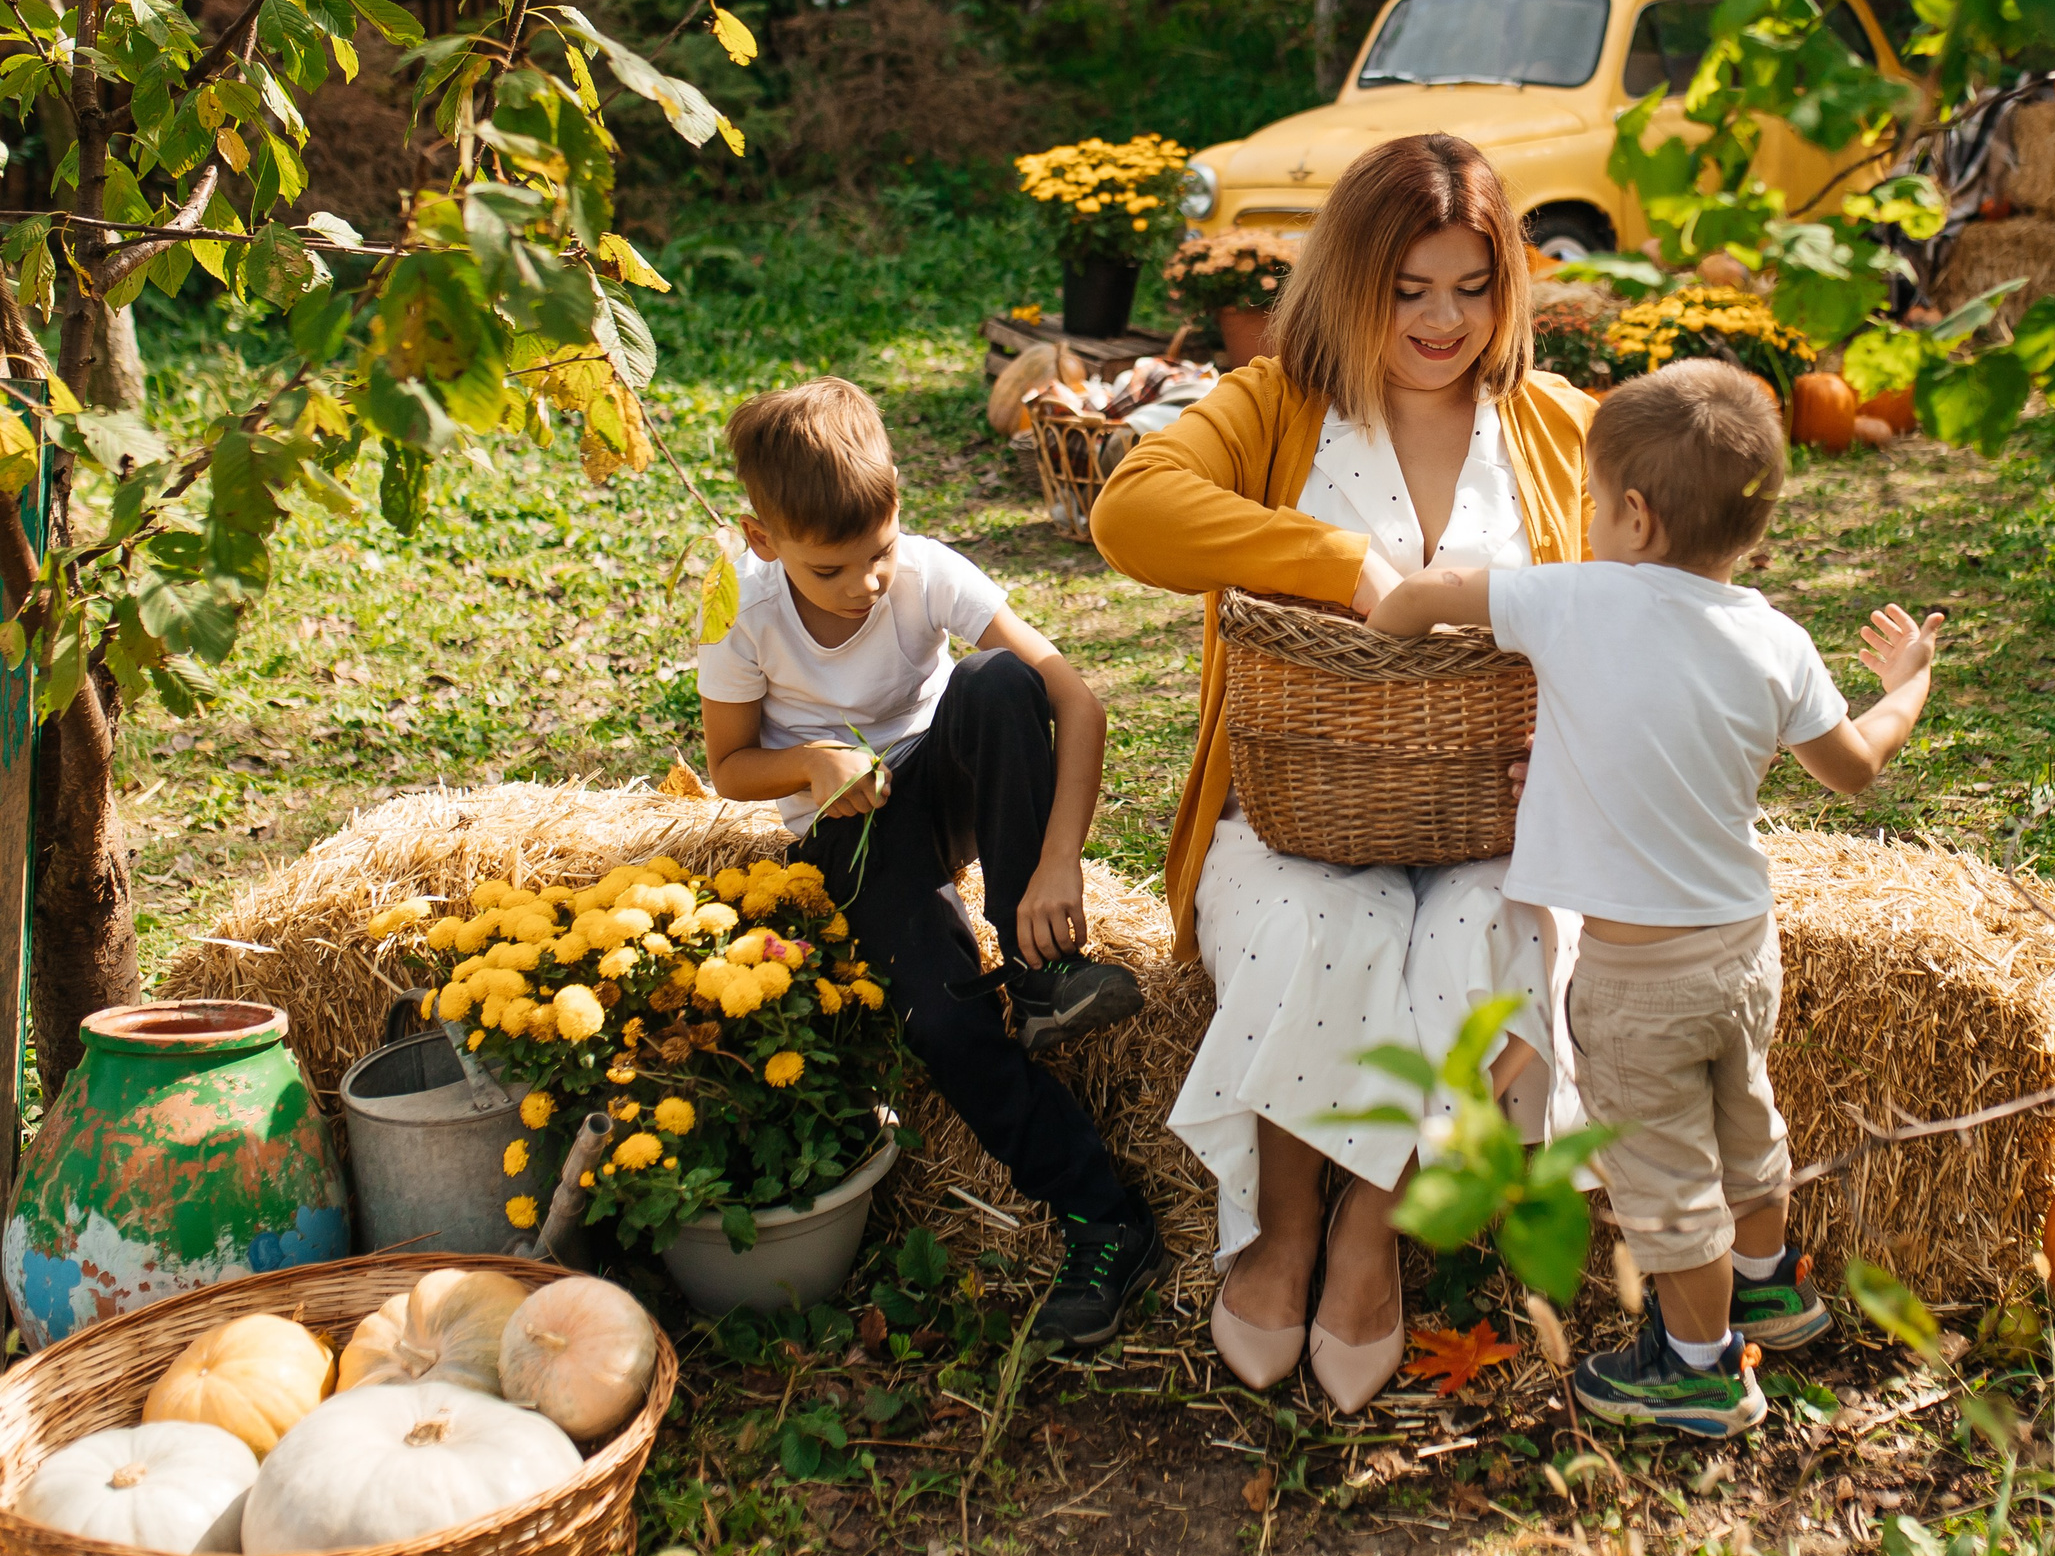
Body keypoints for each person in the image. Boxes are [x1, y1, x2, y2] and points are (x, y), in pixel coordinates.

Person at [1089, 134, 1595, 1412]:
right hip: (1294, 813)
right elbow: (1128, 516)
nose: (1441, 321)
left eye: (1471, 287)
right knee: (1328, 922)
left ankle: (1367, 1237)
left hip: (1497, 813)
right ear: (1352, 279)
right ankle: (1283, 1229)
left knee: (1490, 933)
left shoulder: (1555, 428)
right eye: (1408, 287)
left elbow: (1669, 578)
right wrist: (1340, 564)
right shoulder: (1273, 406)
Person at [1369, 359, 1944, 1436]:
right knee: (1744, 1116)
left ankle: (1696, 1367)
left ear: (1630, 516)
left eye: (1591, 501)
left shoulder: (1568, 597)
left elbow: (1422, 601)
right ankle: (1773, 1284)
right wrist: (1905, 680)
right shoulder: (1774, 639)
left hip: (1636, 984)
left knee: (1665, 1177)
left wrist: (1385, 609)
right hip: (1741, 950)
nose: (1585, 519)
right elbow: (1857, 767)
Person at [697, 377, 1159, 1347]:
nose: (866, 584)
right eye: (832, 570)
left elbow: (1076, 701)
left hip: (944, 777)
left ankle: (1043, 974)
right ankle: (1102, 1219)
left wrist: (1056, 868)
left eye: (880, 551)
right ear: (762, 538)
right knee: (942, 1021)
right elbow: (728, 765)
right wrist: (813, 764)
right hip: (848, 822)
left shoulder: (925, 574)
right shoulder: (740, 613)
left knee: (997, 682)